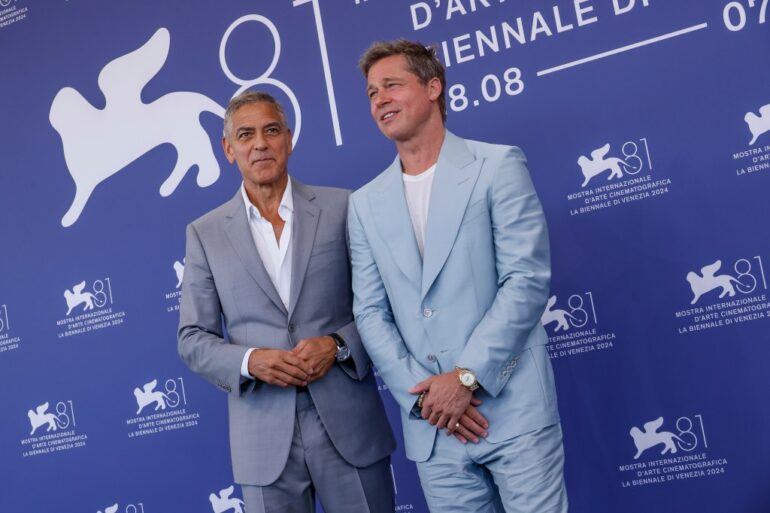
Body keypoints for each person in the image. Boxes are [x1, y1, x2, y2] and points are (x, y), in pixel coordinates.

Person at [348, 40, 568, 512]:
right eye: (371, 93)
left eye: (391, 85)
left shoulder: (498, 166)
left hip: (514, 411)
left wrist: (465, 378)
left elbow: (526, 281)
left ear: (433, 87)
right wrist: (428, 398)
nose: (379, 99)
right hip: (433, 428)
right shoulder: (364, 204)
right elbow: (369, 312)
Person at [178, 91, 395, 513]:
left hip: (349, 427)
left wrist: (336, 345)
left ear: (288, 140)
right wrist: (250, 360)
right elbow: (192, 338)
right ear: (228, 149)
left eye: (271, 130)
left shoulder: (343, 207)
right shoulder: (204, 234)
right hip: (263, 441)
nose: (260, 143)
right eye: (246, 134)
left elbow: (382, 304)